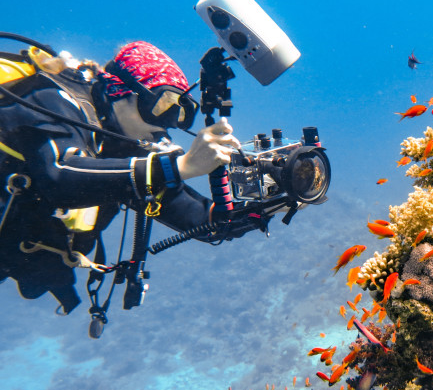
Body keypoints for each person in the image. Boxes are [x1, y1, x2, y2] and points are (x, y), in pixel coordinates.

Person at [0, 38, 267, 320]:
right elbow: (58, 176)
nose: (167, 123)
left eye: (180, 112)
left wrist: (272, 202)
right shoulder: (47, 98)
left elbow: (202, 220)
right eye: (162, 105)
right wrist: (179, 167)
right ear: (121, 90)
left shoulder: (123, 147)